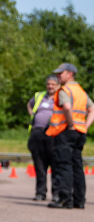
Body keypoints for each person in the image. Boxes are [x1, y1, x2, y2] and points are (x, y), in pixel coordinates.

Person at [46, 63, 94, 209]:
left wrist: (71, 124)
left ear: (70, 74)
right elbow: (92, 109)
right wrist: (84, 127)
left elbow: (66, 107)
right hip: (80, 133)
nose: (58, 76)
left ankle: (65, 199)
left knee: (63, 165)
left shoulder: (64, 90)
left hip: (66, 131)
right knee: (77, 166)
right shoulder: (81, 91)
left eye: (61, 74)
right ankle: (79, 200)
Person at [27, 75, 58, 201]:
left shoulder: (60, 96)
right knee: (39, 164)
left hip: (53, 133)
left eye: (52, 84)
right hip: (37, 132)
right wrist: (33, 116)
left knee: (55, 164)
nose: (50, 86)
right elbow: (29, 105)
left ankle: (56, 193)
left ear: (57, 85)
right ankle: (40, 192)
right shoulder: (40, 96)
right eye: (48, 84)